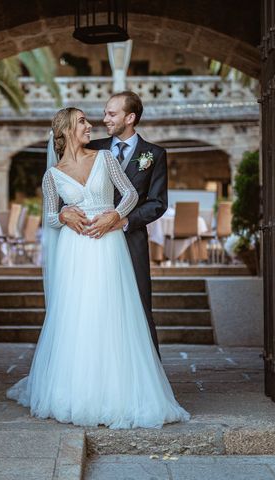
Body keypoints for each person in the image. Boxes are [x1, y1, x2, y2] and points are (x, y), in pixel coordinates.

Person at [6, 107, 189, 429]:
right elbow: (50, 216)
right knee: (78, 314)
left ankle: (118, 392)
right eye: (81, 122)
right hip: (75, 250)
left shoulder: (105, 159)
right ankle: (77, 391)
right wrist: (62, 216)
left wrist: (115, 216)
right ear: (64, 131)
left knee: (111, 310)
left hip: (107, 243)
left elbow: (131, 193)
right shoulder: (52, 175)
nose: (89, 126)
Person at [62, 91, 167, 359]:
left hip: (131, 239)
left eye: (112, 114)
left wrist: (123, 220)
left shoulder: (154, 154)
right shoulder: (93, 147)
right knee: (95, 307)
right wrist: (65, 211)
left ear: (130, 118)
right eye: (105, 112)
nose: (104, 118)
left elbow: (157, 203)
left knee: (140, 305)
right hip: (93, 240)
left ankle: (149, 374)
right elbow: (65, 181)